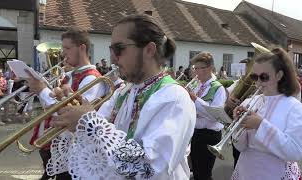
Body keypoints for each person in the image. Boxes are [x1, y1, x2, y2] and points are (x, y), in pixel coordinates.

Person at [45, 14, 196, 179]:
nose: (112, 57)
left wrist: (89, 123)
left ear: (149, 50)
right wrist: (74, 109)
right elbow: (98, 140)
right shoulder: (123, 92)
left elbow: (149, 168)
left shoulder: (173, 98)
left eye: (119, 49)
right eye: (111, 50)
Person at [25, 27, 106, 180]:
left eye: (67, 48)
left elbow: (73, 116)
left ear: (82, 48)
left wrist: (42, 91)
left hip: (73, 152)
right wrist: (41, 91)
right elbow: (50, 108)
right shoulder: (69, 75)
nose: (63, 53)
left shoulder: (92, 79)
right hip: (56, 147)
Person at [231, 47, 302, 180]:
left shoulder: (296, 108)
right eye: (254, 77)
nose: (258, 83)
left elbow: (296, 152)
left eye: (264, 77)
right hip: (246, 171)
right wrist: (238, 126)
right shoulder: (250, 102)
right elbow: (240, 147)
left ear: (279, 75)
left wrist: (260, 125)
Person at [188, 52, 227, 180]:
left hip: (209, 135)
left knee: (204, 174)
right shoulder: (197, 85)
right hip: (196, 132)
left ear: (210, 68)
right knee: (196, 172)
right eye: (195, 68)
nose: (197, 71)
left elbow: (214, 115)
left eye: (200, 68)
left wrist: (195, 100)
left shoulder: (218, 88)